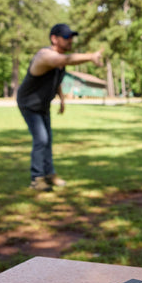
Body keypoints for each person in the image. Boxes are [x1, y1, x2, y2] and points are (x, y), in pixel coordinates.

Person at [17, 23, 104, 191]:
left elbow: (55, 81)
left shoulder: (59, 61)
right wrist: (90, 56)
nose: (70, 40)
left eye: (71, 37)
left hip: (43, 104)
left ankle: (49, 174)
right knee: (41, 139)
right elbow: (62, 60)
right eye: (66, 37)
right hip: (29, 103)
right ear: (54, 39)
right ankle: (37, 179)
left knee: (48, 139)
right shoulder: (45, 56)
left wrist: (62, 99)